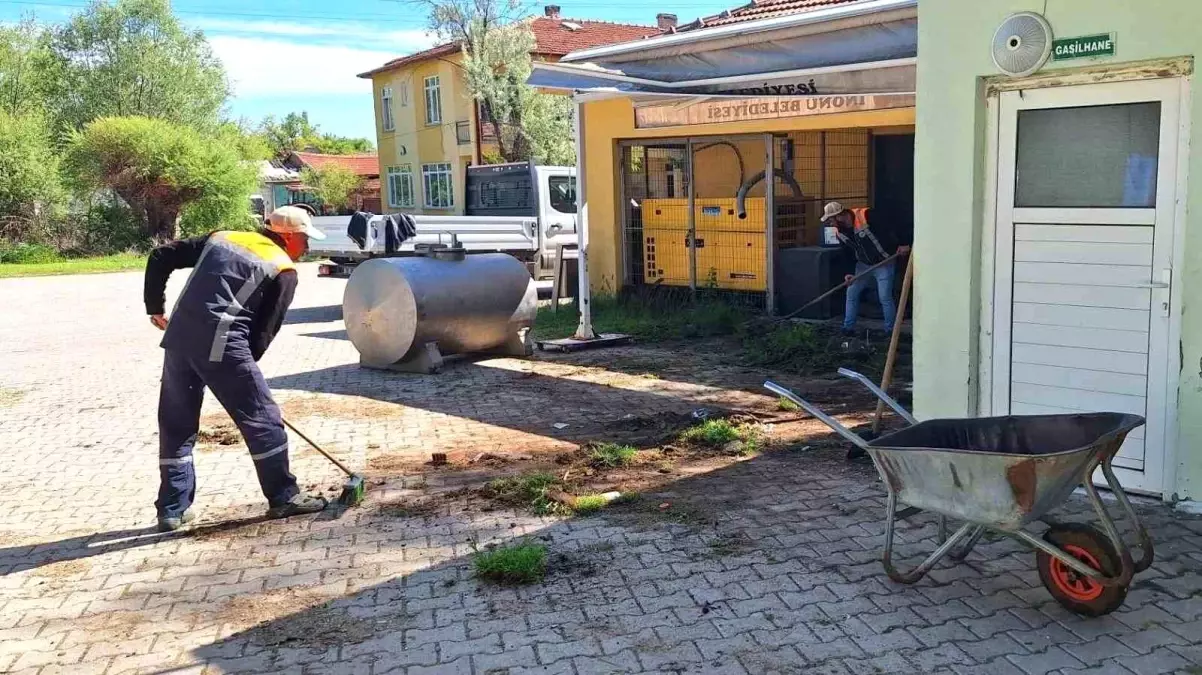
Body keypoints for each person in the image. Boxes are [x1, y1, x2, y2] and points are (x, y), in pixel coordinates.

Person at [144, 206, 329, 531]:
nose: (307, 246)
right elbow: (263, 332)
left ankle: (172, 510)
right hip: (223, 344)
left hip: (179, 340)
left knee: (176, 424)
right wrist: (240, 378)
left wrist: (155, 308)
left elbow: (160, 255)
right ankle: (284, 497)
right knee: (264, 419)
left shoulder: (222, 239)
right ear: (287, 236)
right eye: (304, 238)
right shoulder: (282, 268)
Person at [821, 201, 910, 336]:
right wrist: (849, 273)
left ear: (840, 216)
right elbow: (847, 254)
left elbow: (893, 226)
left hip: (884, 262)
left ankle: (891, 331)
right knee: (851, 294)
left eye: (831, 220)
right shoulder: (840, 233)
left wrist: (903, 243)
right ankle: (848, 328)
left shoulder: (867, 216)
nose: (830, 224)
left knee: (884, 296)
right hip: (862, 265)